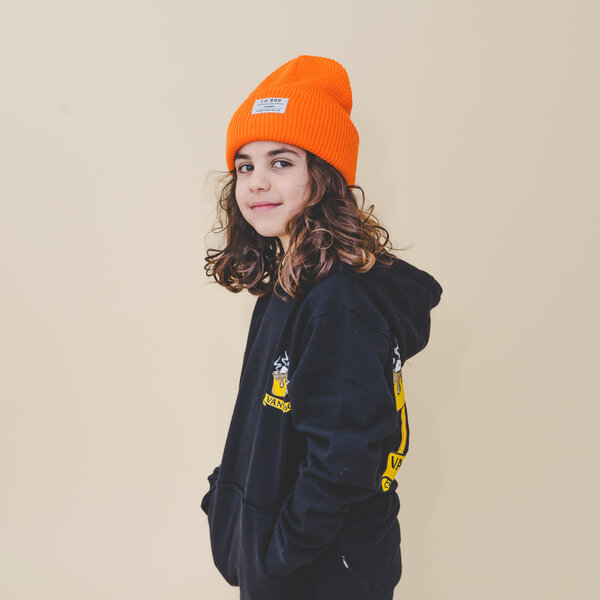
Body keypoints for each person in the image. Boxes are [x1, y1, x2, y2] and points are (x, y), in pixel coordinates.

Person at [200, 54, 443, 600]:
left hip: (324, 573)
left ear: (324, 176)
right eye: (245, 166)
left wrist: (279, 554)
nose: (257, 182)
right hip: (285, 565)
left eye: (281, 162)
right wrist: (227, 504)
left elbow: (345, 459)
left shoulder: (340, 301)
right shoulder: (286, 288)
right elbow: (261, 421)